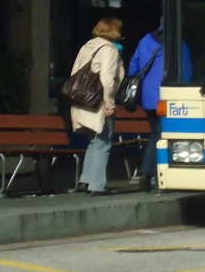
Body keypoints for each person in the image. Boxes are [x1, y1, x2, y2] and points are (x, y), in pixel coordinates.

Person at [128, 23, 193, 192]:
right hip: (167, 97)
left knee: (155, 133)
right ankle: (159, 178)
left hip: (148, 98)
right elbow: (186, 71)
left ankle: (145, 173)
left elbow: (134, 66)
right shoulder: (178, 43)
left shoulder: (145, 40)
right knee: (163, 136)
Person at [69, 17, 125, 195]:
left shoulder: (87, 46)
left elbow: (75, 73)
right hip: (98, 102)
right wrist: (110, 103)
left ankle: (86, 181)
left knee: (93, 142)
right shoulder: (109, 50)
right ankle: (97, 186)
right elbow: (108, 79)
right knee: (103, 143)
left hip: (82, 100)